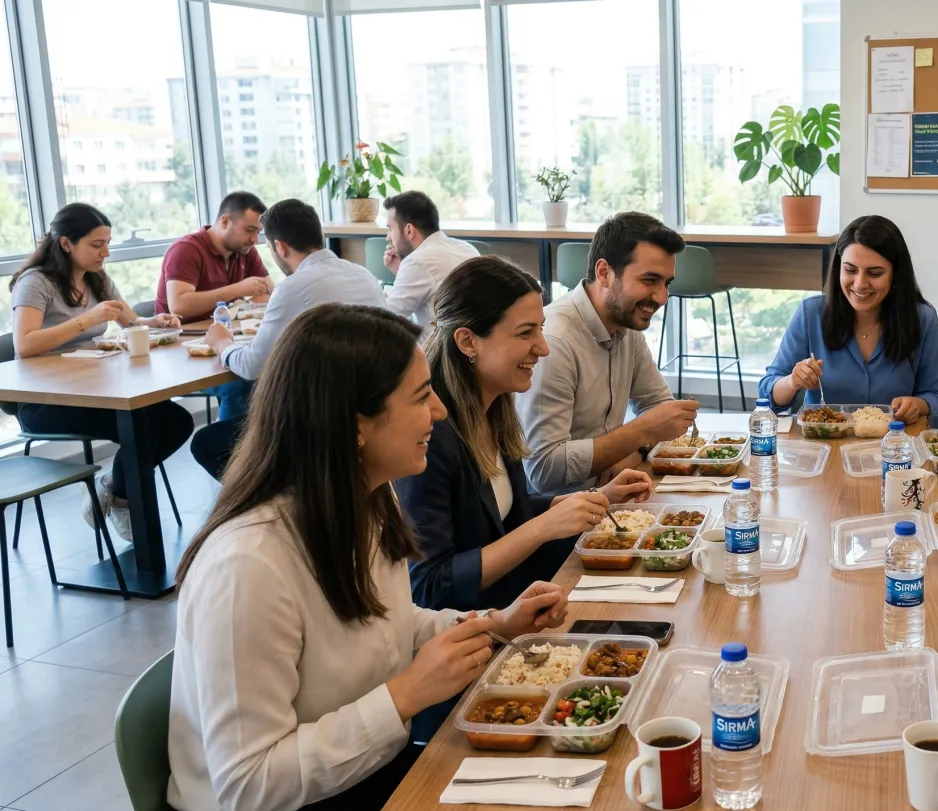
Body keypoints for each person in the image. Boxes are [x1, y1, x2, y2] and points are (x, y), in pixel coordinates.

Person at [167, 304, 570, 811]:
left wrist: (492, 624)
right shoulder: (248, 566)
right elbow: (248, 784)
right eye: (420, 397)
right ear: (356, 425)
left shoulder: (367, 503)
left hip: (357, 781)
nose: (438, 411)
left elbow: (390, 626)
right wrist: (405, 695)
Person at [398, 256, 653, 613]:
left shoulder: (497, 410)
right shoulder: (431, 437)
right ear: (468, 341)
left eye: (540, 329)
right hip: (477, 634)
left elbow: (503, 515)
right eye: (525, 333)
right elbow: (430, 586)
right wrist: (544, 526)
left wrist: (592, 498)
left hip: (519, 608)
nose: (543, 347)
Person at [8, 203, 191, 542]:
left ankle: (112, 487)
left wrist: (154, 322)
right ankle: (124, 503)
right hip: (46, 403)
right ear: (66, 244)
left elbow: (129, 321)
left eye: (107, 242)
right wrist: (87, 319)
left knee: (178, 422)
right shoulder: (36, 282)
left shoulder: (97, 278)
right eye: (97, 244)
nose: (105, 252)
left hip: (92, 390)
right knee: (145, 431)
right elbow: (25, 345)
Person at [188, 198, 387, 480]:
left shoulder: (294, 287)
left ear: (279, 247)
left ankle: (275, 506)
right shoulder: (362, 275)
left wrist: (222, 343)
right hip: (371, 407)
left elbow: (251, 367)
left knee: (207, 443)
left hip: (323, 422)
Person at [517, 212, 700, 497]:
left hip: (611, 498)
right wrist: (640, 433)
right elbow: (542, 471)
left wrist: (635, 448)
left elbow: (661, 412)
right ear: (604, 273)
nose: (662, 297)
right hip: (556, 518)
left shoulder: (627, 324)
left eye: (666, 284)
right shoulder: (554, 341)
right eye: (650, 280)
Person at [759, 215, 938, 424]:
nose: (859, 284)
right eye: (850, 270)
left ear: (895, 274)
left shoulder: (922, 318)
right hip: (824, 444)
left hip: (894, 445)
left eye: (874, 273)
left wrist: (916, 405)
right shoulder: (810, 313)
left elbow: (937, 396)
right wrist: (792, 382)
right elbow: (767, 394)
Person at [157, 190, 272, 420]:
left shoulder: (244, 250)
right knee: (243, 384)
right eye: (249, 230)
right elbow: (178, 305)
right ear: (225, 221)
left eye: (258, 232)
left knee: (268, 374)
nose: (254, 239)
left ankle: (258, 449)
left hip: (224, 342)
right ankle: (230, 454)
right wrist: (238, 290)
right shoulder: (186, 250)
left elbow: (269, 292)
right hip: (183, 350)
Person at [382, 190, 479, 343]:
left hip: (441, 356)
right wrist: (401, 272)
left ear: (409, 230)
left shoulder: (418, 262)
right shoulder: (466, 248)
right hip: (471, 349)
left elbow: (386, 318)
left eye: (390, 229)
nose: (388, 237)